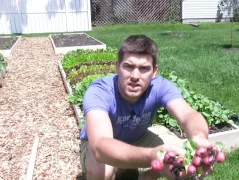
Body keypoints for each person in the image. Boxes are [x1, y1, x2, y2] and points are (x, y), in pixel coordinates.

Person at [79, 35, 214, 180]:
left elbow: (188, 115)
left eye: (144, 68)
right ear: (117, 66)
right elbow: (100, 146)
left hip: (138, 137)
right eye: (129, 66)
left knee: (178, 162)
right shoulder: (100, 91)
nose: (135, 76)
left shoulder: (161, 86)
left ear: (154, 71)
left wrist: (199, 138)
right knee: (101, 172)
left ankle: (145, 177)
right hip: (99, 143)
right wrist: (151, 156)